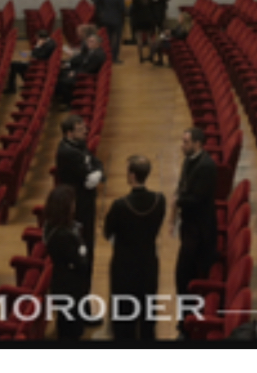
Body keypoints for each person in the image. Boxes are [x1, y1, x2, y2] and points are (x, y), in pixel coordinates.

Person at [103, 155, 166, 341]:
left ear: (131, 175)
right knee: (147, 308)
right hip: (148, 261)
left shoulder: (120, 205)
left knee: (124, 312)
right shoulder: (159, 200)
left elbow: (108, 232)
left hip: (124, 264)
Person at [172, 126, 221, 307]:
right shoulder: (190, 159)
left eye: (186, 142)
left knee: (183, 273)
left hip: (199, 230)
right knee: (185, 274)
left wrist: (177, 200)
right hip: (189, 225)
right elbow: (184, 185)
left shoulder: (206, 166)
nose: (182, 145)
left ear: (198, 144)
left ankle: (187, 318)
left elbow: (197, 198)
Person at [42, 185, 94, 340]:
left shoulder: (54, 225)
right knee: (71, 329)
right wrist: (83, 248)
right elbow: (82, 261)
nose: (74, 207)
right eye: (72, 204)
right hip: (68, 286)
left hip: (65, 282)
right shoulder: (63, 235)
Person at [52, 111, 104, 214]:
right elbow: (86, 174)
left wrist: (98, 173)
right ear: (69, 134)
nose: (85, 131)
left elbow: (96, 161)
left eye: (84, 128)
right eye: (80, 130)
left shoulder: (79, 142)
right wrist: (97, 172)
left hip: (86, 196)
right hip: (77, 200)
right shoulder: (68, 152)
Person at [56, 30, 108, 105]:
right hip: (81, 70)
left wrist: (74, 72)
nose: (88, 43)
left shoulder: (98, 55)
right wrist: (69, 65)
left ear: (98, 43)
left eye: (92, 41)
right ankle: (61, 96)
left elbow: (89, 70)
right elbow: (82, 60)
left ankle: (68, 102)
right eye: (88, 41)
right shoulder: (91, 50)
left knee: (63, 81)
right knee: (60, 73)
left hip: (86, 76)